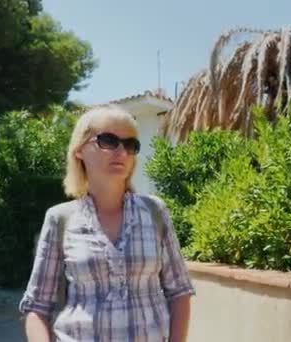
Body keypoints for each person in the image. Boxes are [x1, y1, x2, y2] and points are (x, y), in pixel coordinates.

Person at [19, 105, 195, 342]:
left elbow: (179, 292)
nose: (121, 152)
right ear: (79, 150)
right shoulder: (60, 219)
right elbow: (37, 307)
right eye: (108, 140)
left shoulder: (155, 212)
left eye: (131, 145)